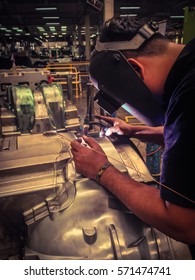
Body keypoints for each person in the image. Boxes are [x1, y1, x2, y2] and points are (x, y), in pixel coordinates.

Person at [70, 16, 195, 256]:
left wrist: (101, 170)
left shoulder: (189, 96)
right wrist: (138, 131)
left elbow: (183, 223)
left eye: (125, 102)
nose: (128, 109)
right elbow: (187, 135)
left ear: (136, 69)